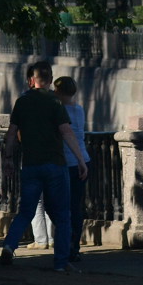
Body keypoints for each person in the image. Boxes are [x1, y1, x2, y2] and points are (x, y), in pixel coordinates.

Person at [0, 61, 87, 273]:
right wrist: (81, 159)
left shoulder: (22, 102)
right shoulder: (55, 103)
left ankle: (10, 245)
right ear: (50, 80)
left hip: (30, 166)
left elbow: (11, 134)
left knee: (26, 211)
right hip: (56, 166)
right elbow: (67, 132)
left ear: (32, 80)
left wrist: (8, 159)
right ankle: (60, 262)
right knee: (63, 215)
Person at [54, 76, 91, 263]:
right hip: (83, 159)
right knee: (76, 207)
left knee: (60, 206)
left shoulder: (58, 110)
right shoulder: (79, 110)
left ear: (58, 92)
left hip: (66, 162)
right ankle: (74, 246)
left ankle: (64, 244)